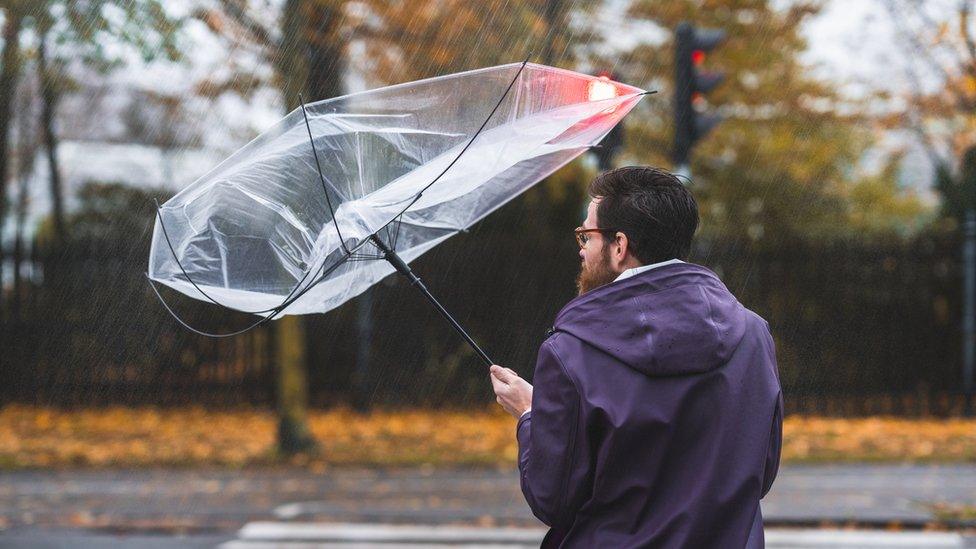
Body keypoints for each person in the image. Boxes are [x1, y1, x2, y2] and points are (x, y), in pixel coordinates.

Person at [489, 166, 783, 548]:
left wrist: (531, 417)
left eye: (587, 235)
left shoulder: (571, 353)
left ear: (620, 246)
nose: (581, 246)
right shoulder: (754, 335)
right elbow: (760, 473)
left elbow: (552, 499)